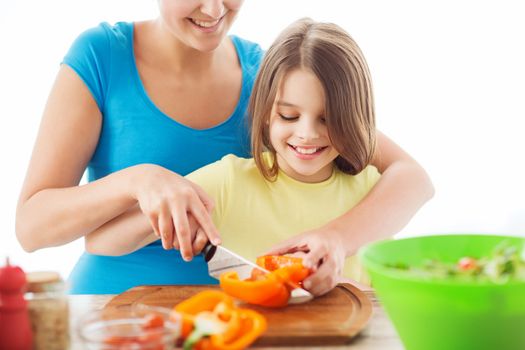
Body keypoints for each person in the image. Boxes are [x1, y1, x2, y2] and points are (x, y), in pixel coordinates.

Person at [15, 0, 433, 295]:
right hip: (111, 308)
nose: (214, 10)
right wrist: (139, 180)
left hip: (232, 318)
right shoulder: (102, 56)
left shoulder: (272, 77)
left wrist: (337, 240)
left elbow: (410, 177)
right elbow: (32, 228)